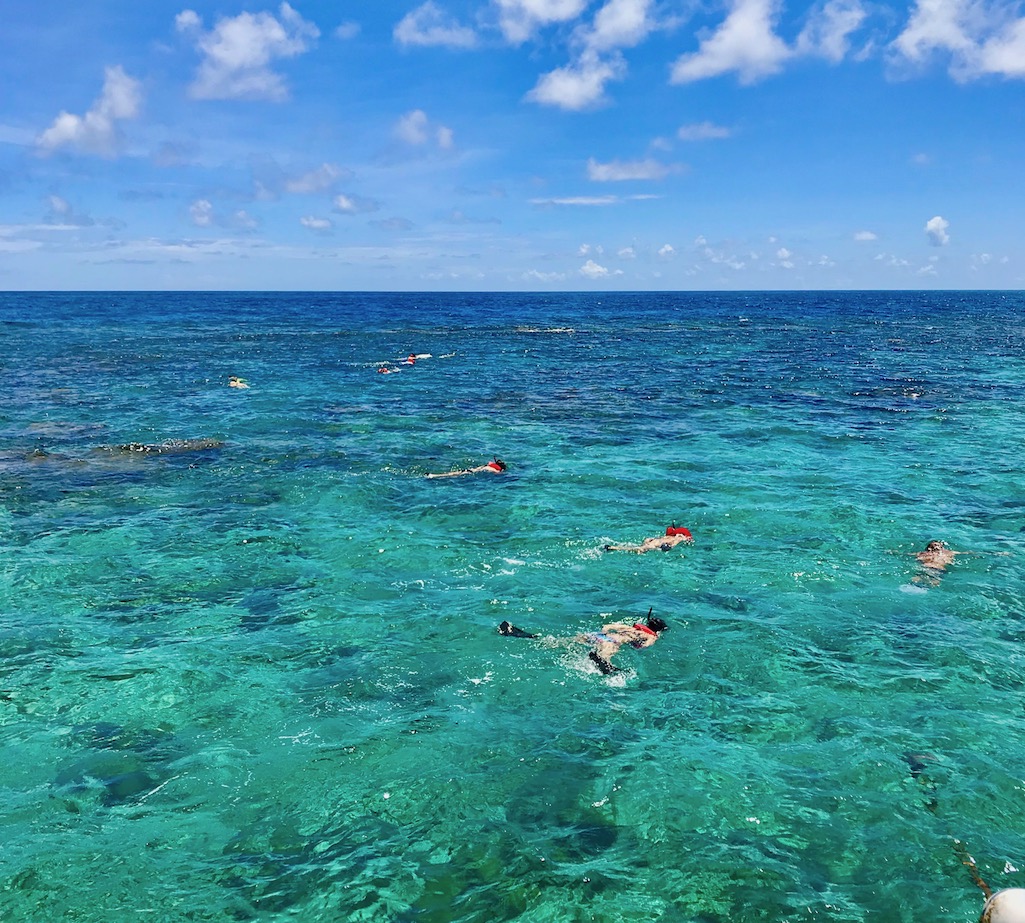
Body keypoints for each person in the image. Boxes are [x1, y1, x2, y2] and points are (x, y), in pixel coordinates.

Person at [499, 608, 668, 675]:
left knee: (559, 642)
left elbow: (606, 626)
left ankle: (524, 635)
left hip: (596, 635)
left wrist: (602, 635)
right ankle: (604, 663)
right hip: (612, 641)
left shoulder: (630, 627)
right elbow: (642, 647)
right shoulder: (651, 636)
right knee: (606, 655)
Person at [605, 525, 693, 554]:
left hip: (652, 540)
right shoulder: (679, 537)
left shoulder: (666, 536)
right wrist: (669, 547)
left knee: (639, 547)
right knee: (639, 549)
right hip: (658, 544)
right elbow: (674, 543)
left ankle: (614, 547)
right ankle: (613, 548)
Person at [426, 458, 507, 479]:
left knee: (452, 473)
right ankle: (434, 476)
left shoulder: (491, 465)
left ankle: (433, 475)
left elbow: (489, 463)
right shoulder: (497, 469)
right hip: (472, 472)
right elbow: (498, 473)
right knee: (451, 475)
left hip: (471, 470)